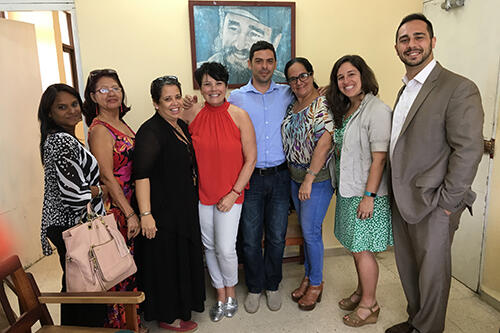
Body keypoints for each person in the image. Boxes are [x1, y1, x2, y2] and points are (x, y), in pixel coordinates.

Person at [386, 13, 484, 333]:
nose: (411, 45)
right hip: (403, 197)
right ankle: (416, 320)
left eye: (418, 37)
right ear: (397, 47)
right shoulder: (405, 90)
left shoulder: (458, 88)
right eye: (404, 39)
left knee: (433, 273)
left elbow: (467, 150)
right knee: (409, 266)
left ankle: (428, 329)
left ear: (432, 42)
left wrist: (448, 202)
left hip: (434, 201)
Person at [183, 62, 257, 322]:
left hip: (231, 194)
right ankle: (220, 293)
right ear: (200, 88)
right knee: (210, 246)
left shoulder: (239, 115)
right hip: (203, 194)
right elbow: (167, 122)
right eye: (207, 84)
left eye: (218, 83)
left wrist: (234, 193)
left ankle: (232, 292)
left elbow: (251, 159)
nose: (213, 89)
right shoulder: (192, 114)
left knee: (226, 248)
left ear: (226, 86)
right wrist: (184, 104)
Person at [133, 76, 205, 332]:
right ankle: (167, 315)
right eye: (167, 99)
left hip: (182, 207)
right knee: (164, 263)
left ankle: (181, 306)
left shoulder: (179, 125)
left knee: (179, 260)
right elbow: (141, 175)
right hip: (161, 212)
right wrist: (146, 214)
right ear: (155, 103)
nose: (174, 103)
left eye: (177, 96)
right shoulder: (150, 132)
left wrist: (191, 107)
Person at [326, 55, 393, 327]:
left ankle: (370, 305)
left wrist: (369, 197)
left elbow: (380, 158)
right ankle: (361, 292)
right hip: (349, 190)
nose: (346, 81)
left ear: (363, 75)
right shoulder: (350, 108)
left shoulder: (376, 110)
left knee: (363, 250)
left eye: (351, 74)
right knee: (355, 248)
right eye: (340, 77)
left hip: (366, 195)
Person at [228, 41, 294, 314]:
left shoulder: (288, 93)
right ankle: (255, 287)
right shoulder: (236, 97)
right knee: (250, 238)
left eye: (269, 61)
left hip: (280, 177)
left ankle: (273, 284)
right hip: (250, 178)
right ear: (250, 64)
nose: (264, 66)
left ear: (275, 64)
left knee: (277, 237)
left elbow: (313, 97)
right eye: (259, 61)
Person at [38, 83, 106, 326]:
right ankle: (86, 329)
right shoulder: (61, 142)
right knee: (86, 286)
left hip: (66, 224)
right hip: (71, 225)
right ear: (49, 113)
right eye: (62, 107)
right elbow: (75, 195)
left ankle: (72, 329)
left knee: (75, 284)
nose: (71, 111)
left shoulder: (61, 138)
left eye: (74, 104)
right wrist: (101, 190)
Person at [82, 69, 142, 330]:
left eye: (115, 88)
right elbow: (107, 177)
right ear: (93, 97)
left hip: (131, 201)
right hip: (117, 208)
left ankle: (133, 320)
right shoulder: (99, 130)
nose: (111, 94)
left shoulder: (122, 123)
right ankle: (122, 326)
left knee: (130, 267)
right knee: (118, 269)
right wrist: (129, 212)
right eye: (103, 90)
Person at [281, 57, 334, 311]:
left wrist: (309, 180)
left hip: (316, 180)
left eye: (303, 75)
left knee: (311, 232)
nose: (299, 81)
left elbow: (324, 143)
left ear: (312, 75)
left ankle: (316, 284)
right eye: (293, 78)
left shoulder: (323, 103)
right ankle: (309, 276)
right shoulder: (293, 106)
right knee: (308, 231)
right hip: (294, 177)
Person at [199, 7, 286, 83]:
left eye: (254, 34)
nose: (239, 46)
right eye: (233, 28)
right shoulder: (200, 74)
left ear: (275, 41)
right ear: (221, 29)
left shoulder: (285, 86)